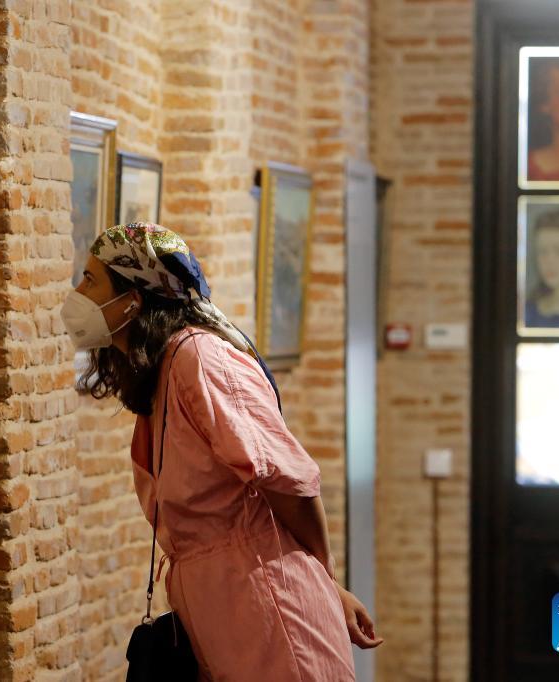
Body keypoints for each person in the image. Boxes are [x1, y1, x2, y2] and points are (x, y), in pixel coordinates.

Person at [61, 223, 382, 680]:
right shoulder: (164, 368)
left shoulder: (201, 358)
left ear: (133, 298)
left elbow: (289, 483)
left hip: (271, 605)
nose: (79, 292)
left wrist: (327, 581)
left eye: (91, 280)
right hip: (228, 607)